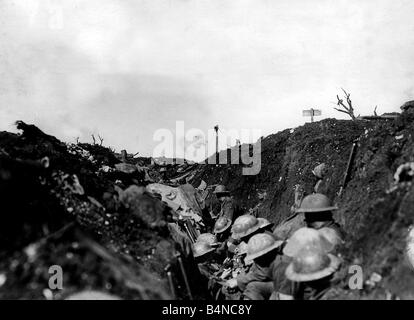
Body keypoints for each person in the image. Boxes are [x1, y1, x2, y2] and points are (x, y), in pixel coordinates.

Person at [225, 233, 292, 300]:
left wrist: (238, 281)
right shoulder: (276, 257)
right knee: (253, 286)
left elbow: (263, 274)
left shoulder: (281, 263)